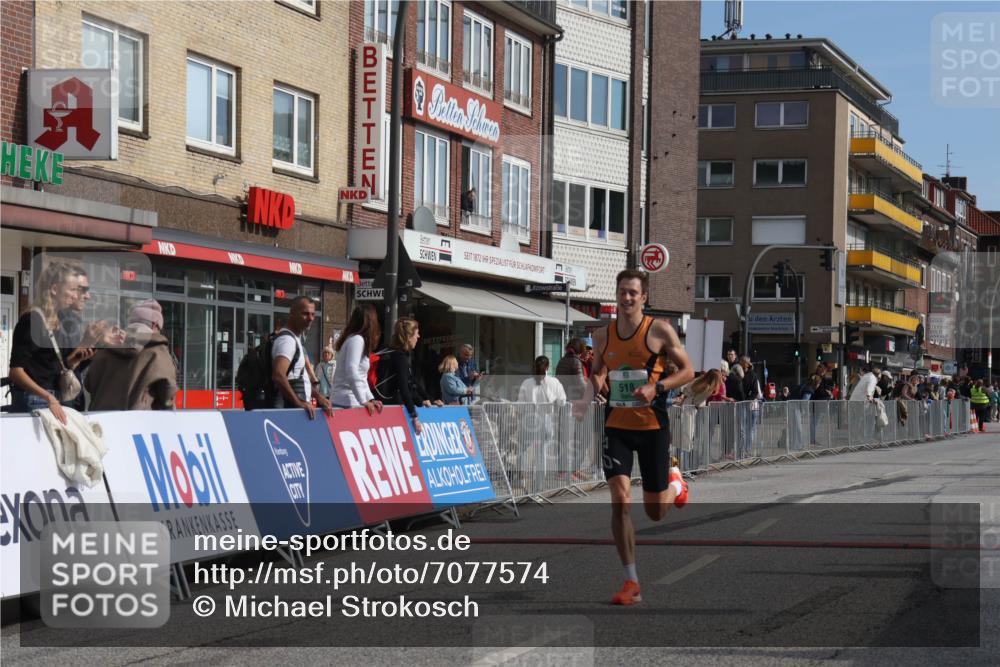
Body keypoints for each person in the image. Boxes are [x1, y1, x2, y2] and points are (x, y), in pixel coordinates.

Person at [572, 269, 694, 606]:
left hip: (653, 427)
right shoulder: (602, 336)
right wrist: (584, 400)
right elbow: (597, 373)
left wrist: (658, 386)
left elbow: (688, 370)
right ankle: (631, 581)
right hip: (617, 426)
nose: (626, 298)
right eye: (622, 291)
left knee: (655, 511)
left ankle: (676, 486)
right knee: (620, 499)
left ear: (644, 297)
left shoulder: (659, 331)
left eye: (633, 293)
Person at [8, 261, 96, 424]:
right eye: (72, 290)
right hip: (37, 401)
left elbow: (50, 369)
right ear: (55, 289)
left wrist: (76, 360)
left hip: (52, 399)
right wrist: (48, 397)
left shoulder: (58, 321)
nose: (75, 296)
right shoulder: (32, 320)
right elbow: (15, 372)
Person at [85, 300, 178, 410]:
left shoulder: (108, 347)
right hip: (139, 422)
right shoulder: (158, 351)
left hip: (101, 421)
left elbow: (88, 383)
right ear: (154, 325)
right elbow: (168, 393)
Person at [272, 296, 334, 419]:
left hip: (297, 411)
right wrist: (298, 402)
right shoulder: (287, 340)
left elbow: (298, 378)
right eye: (305, 314)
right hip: (291, 413)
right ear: (292, 313)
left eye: (312, 314)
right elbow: (278, 375)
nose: (310, 318)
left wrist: (319, 397)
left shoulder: (295, 338)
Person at [380, 318, 443, 435]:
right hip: (393, 410)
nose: (418, 337)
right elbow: (404, 389)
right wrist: (414, 416)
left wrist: (429, 399)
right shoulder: (399, 357)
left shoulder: (396, 353)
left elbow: (412, 382)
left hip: (388, 407)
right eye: (417, 333)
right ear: (409, 337)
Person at [330, 303, 382, 415]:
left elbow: (361, 377)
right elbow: (352, 371)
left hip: (350, 400)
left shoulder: (353, 339)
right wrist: (363, 400)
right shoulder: (357, 340)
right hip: (346, 402)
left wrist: (369, 398)